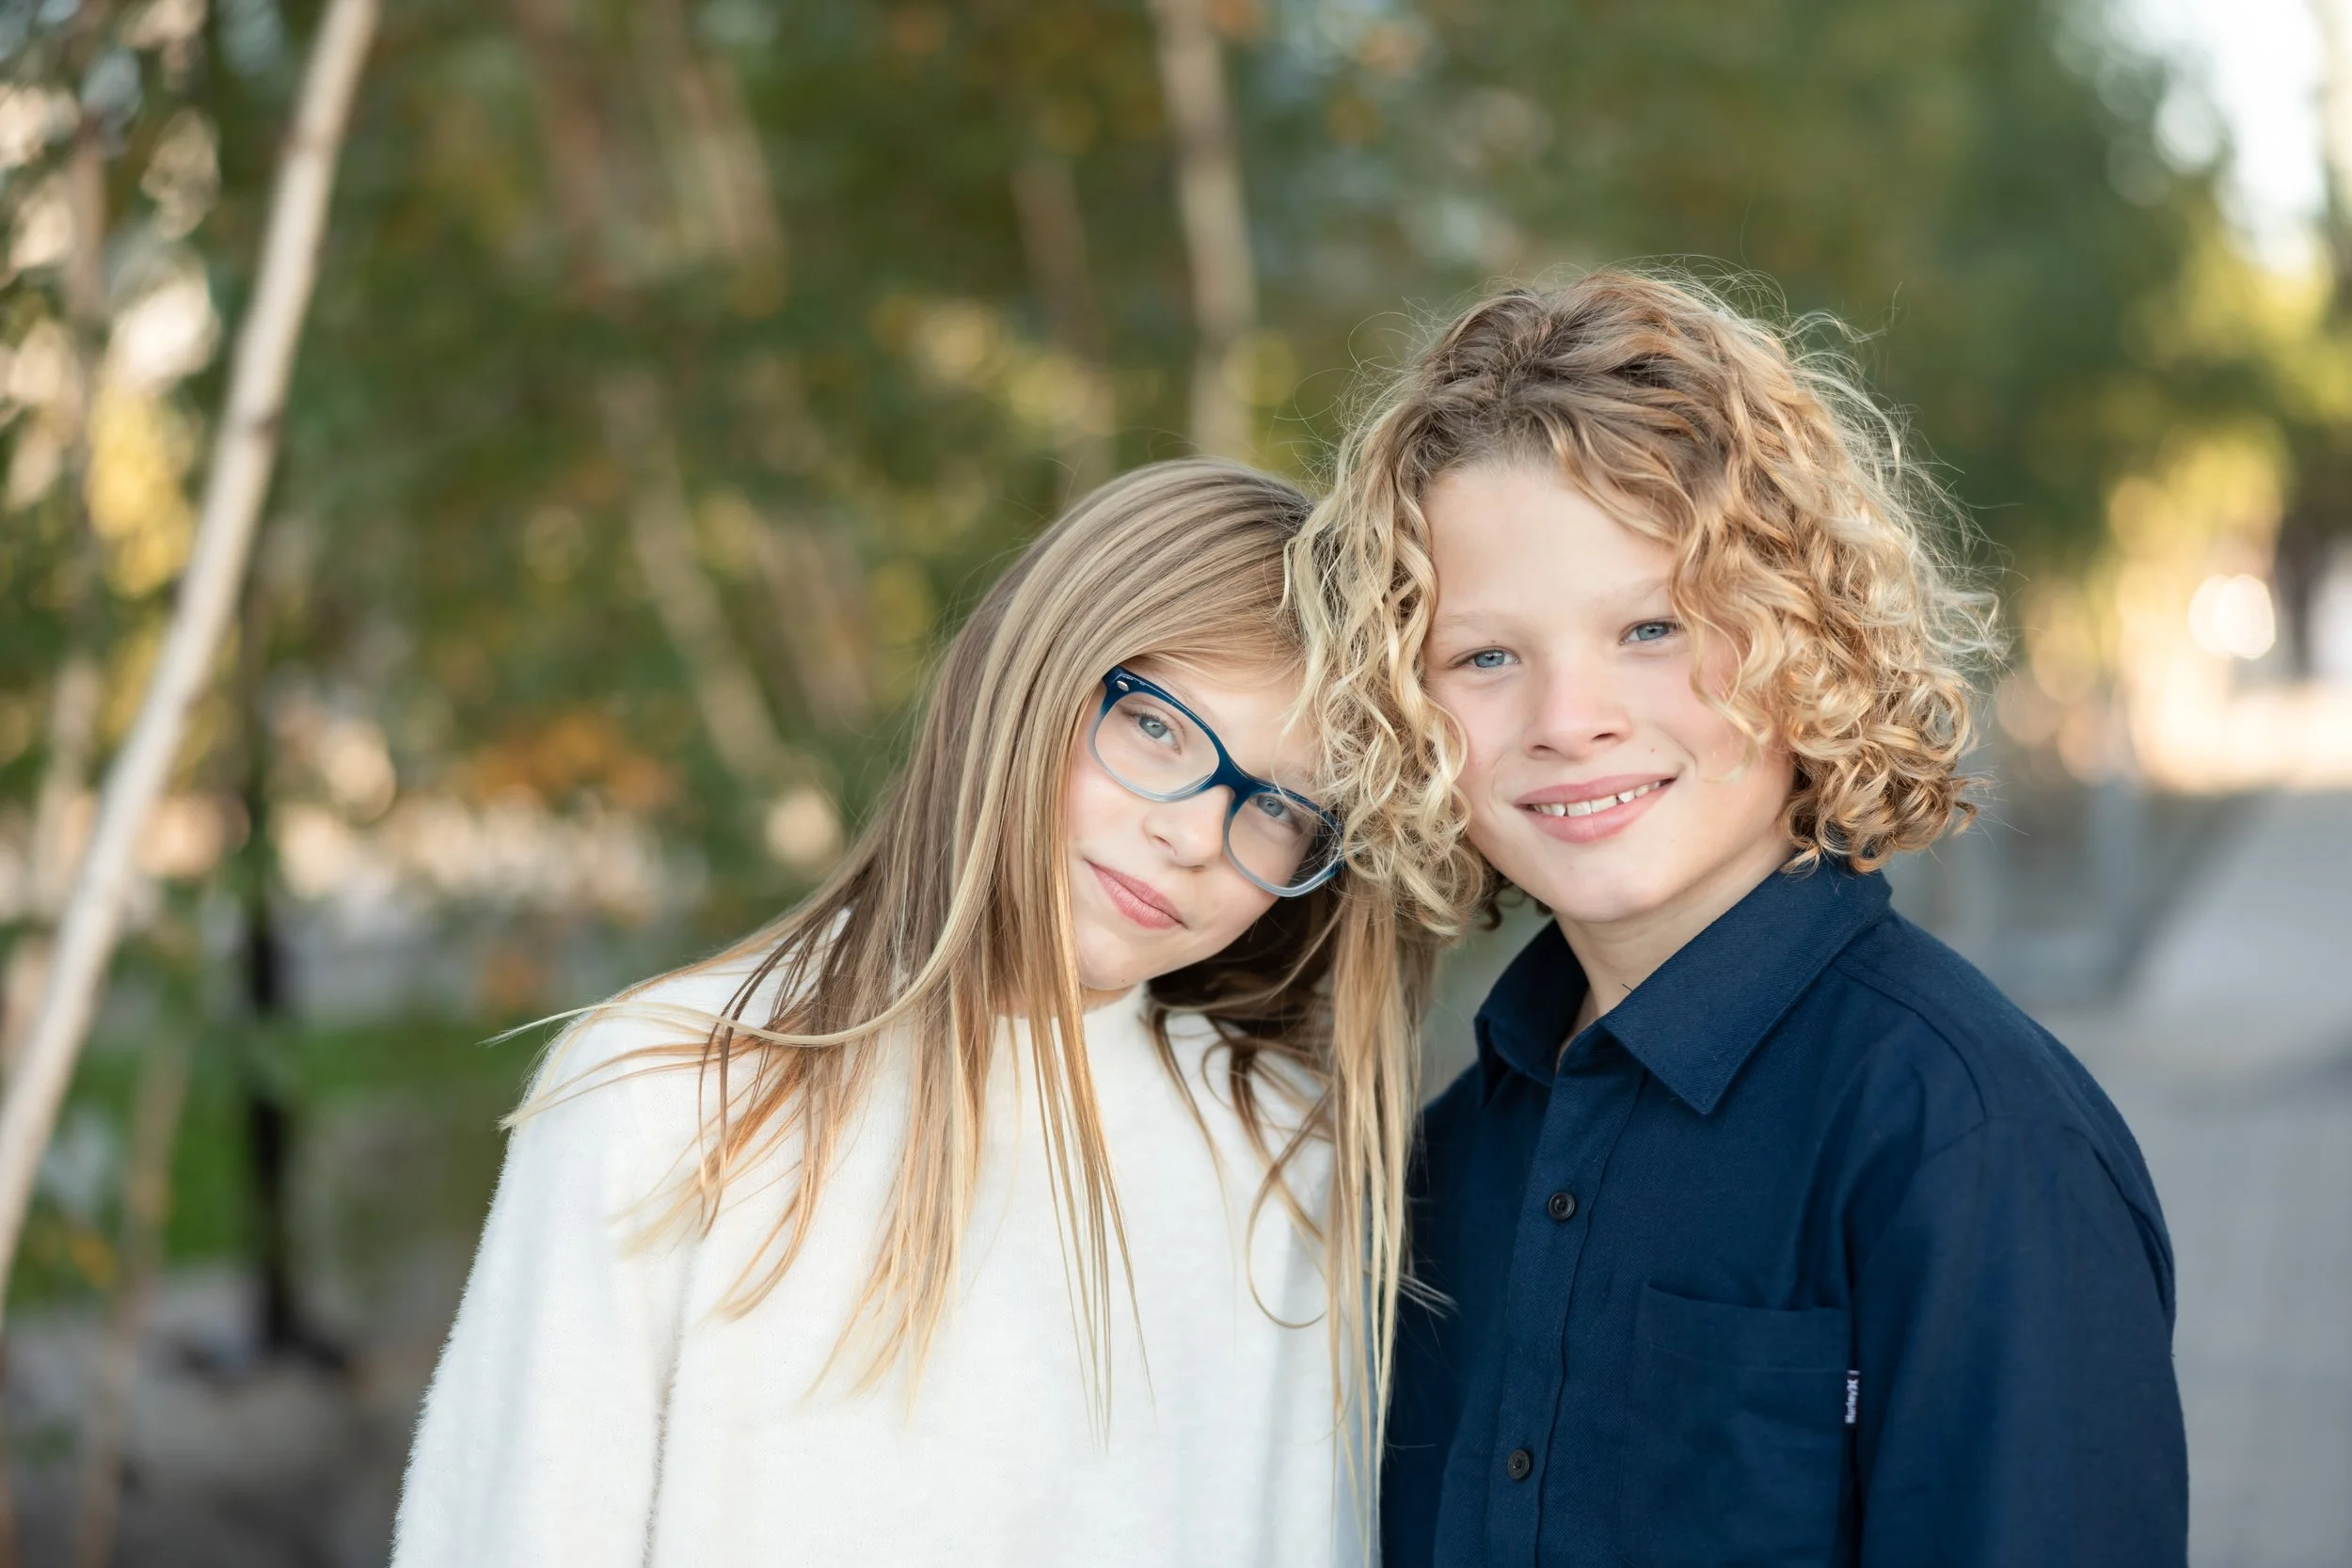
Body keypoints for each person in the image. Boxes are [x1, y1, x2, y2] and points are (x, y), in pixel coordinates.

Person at [1291, 274, 2188, 1567]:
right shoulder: (1448, 1155)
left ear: (1800, 638)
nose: (1567, 719)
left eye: (1651, 627)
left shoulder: (1972, 1140)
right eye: (1485, 655)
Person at [392, 459, 1436, 1567]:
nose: (1190, 833)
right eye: (1157, 727)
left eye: (1275, 805)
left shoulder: (1284, 1155)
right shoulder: (666, 1095)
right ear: (1026, 682)